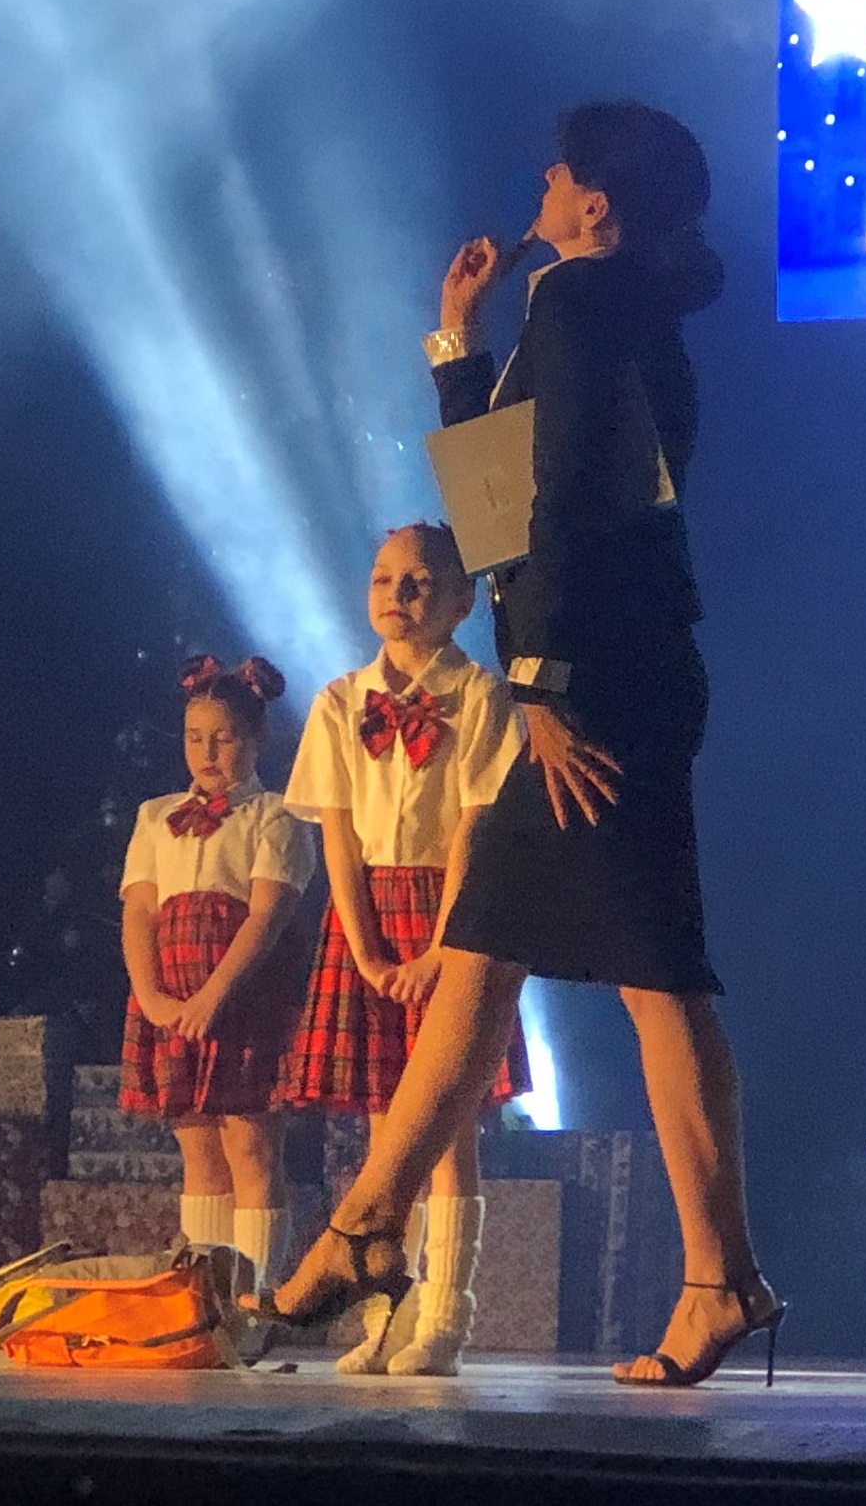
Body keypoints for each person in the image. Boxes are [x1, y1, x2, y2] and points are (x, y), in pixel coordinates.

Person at [254, 99, 777, 1389]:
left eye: (560, 168)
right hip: (614, 668)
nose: (539, 177)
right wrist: (457, 340)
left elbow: (561, 507)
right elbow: (502, 495)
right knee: (492, 960)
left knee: (652, 973)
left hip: (596, 681)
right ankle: (373, 1225)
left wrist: (538, 678)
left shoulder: (589, 301)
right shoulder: (595, 305)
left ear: (596, 205)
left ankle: (717, 1275)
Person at [279, 524, 527, 1374]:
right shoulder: (338, 701)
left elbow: (473, 828)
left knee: (446, 1129)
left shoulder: (479, 696)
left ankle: (446, 1316)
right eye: (383, 578)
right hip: (369, 921)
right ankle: (390, 1309)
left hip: (450, 912)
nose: (398, 594)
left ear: (462, 599)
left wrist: (441, 947)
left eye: (420, 581)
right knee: (385, 1131)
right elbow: (337, 836)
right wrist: (364, 948)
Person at [117, 654, 315, 1295]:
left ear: (256, 739)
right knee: (199, 1151)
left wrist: (215, 994)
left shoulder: (276, 815)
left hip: (244, 994)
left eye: (224, 738)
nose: (207, 753)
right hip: (173, 995)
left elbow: (267, 915)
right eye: (195, 738)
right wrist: (152, 995)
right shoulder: (156, 815)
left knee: (250, 1146)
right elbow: (139, 911)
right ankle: (206, 1299)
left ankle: (254, 1300)